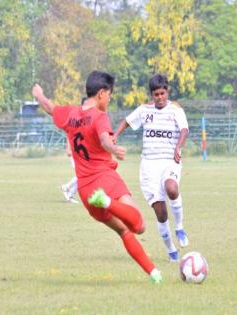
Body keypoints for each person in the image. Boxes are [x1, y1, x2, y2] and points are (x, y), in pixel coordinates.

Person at [32, 71, 162, 283]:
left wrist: (39, 94)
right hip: (104, 180)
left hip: (85, 191)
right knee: (139, 225)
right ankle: (109, 202)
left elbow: (50, 108)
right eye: (109, 94)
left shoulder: (71, 114)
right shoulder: (99, 116)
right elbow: (104, 139)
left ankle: (154, 273)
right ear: (101, 93)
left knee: (123, 231)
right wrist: (114, 148)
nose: (110, 99)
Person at [114, 74, 189, 262]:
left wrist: (178, 147)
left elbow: (184, 130)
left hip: (169, 160)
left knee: (172, 188)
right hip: (148, 166)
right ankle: (171, 250)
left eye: (163, 93)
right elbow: (127, 121)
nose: (160, 98)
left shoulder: (175, 110)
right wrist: (114, 135)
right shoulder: (144, 110)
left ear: (167, 91)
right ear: (152, 95)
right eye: (156, 94)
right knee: (161, 212)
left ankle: (179, 227)